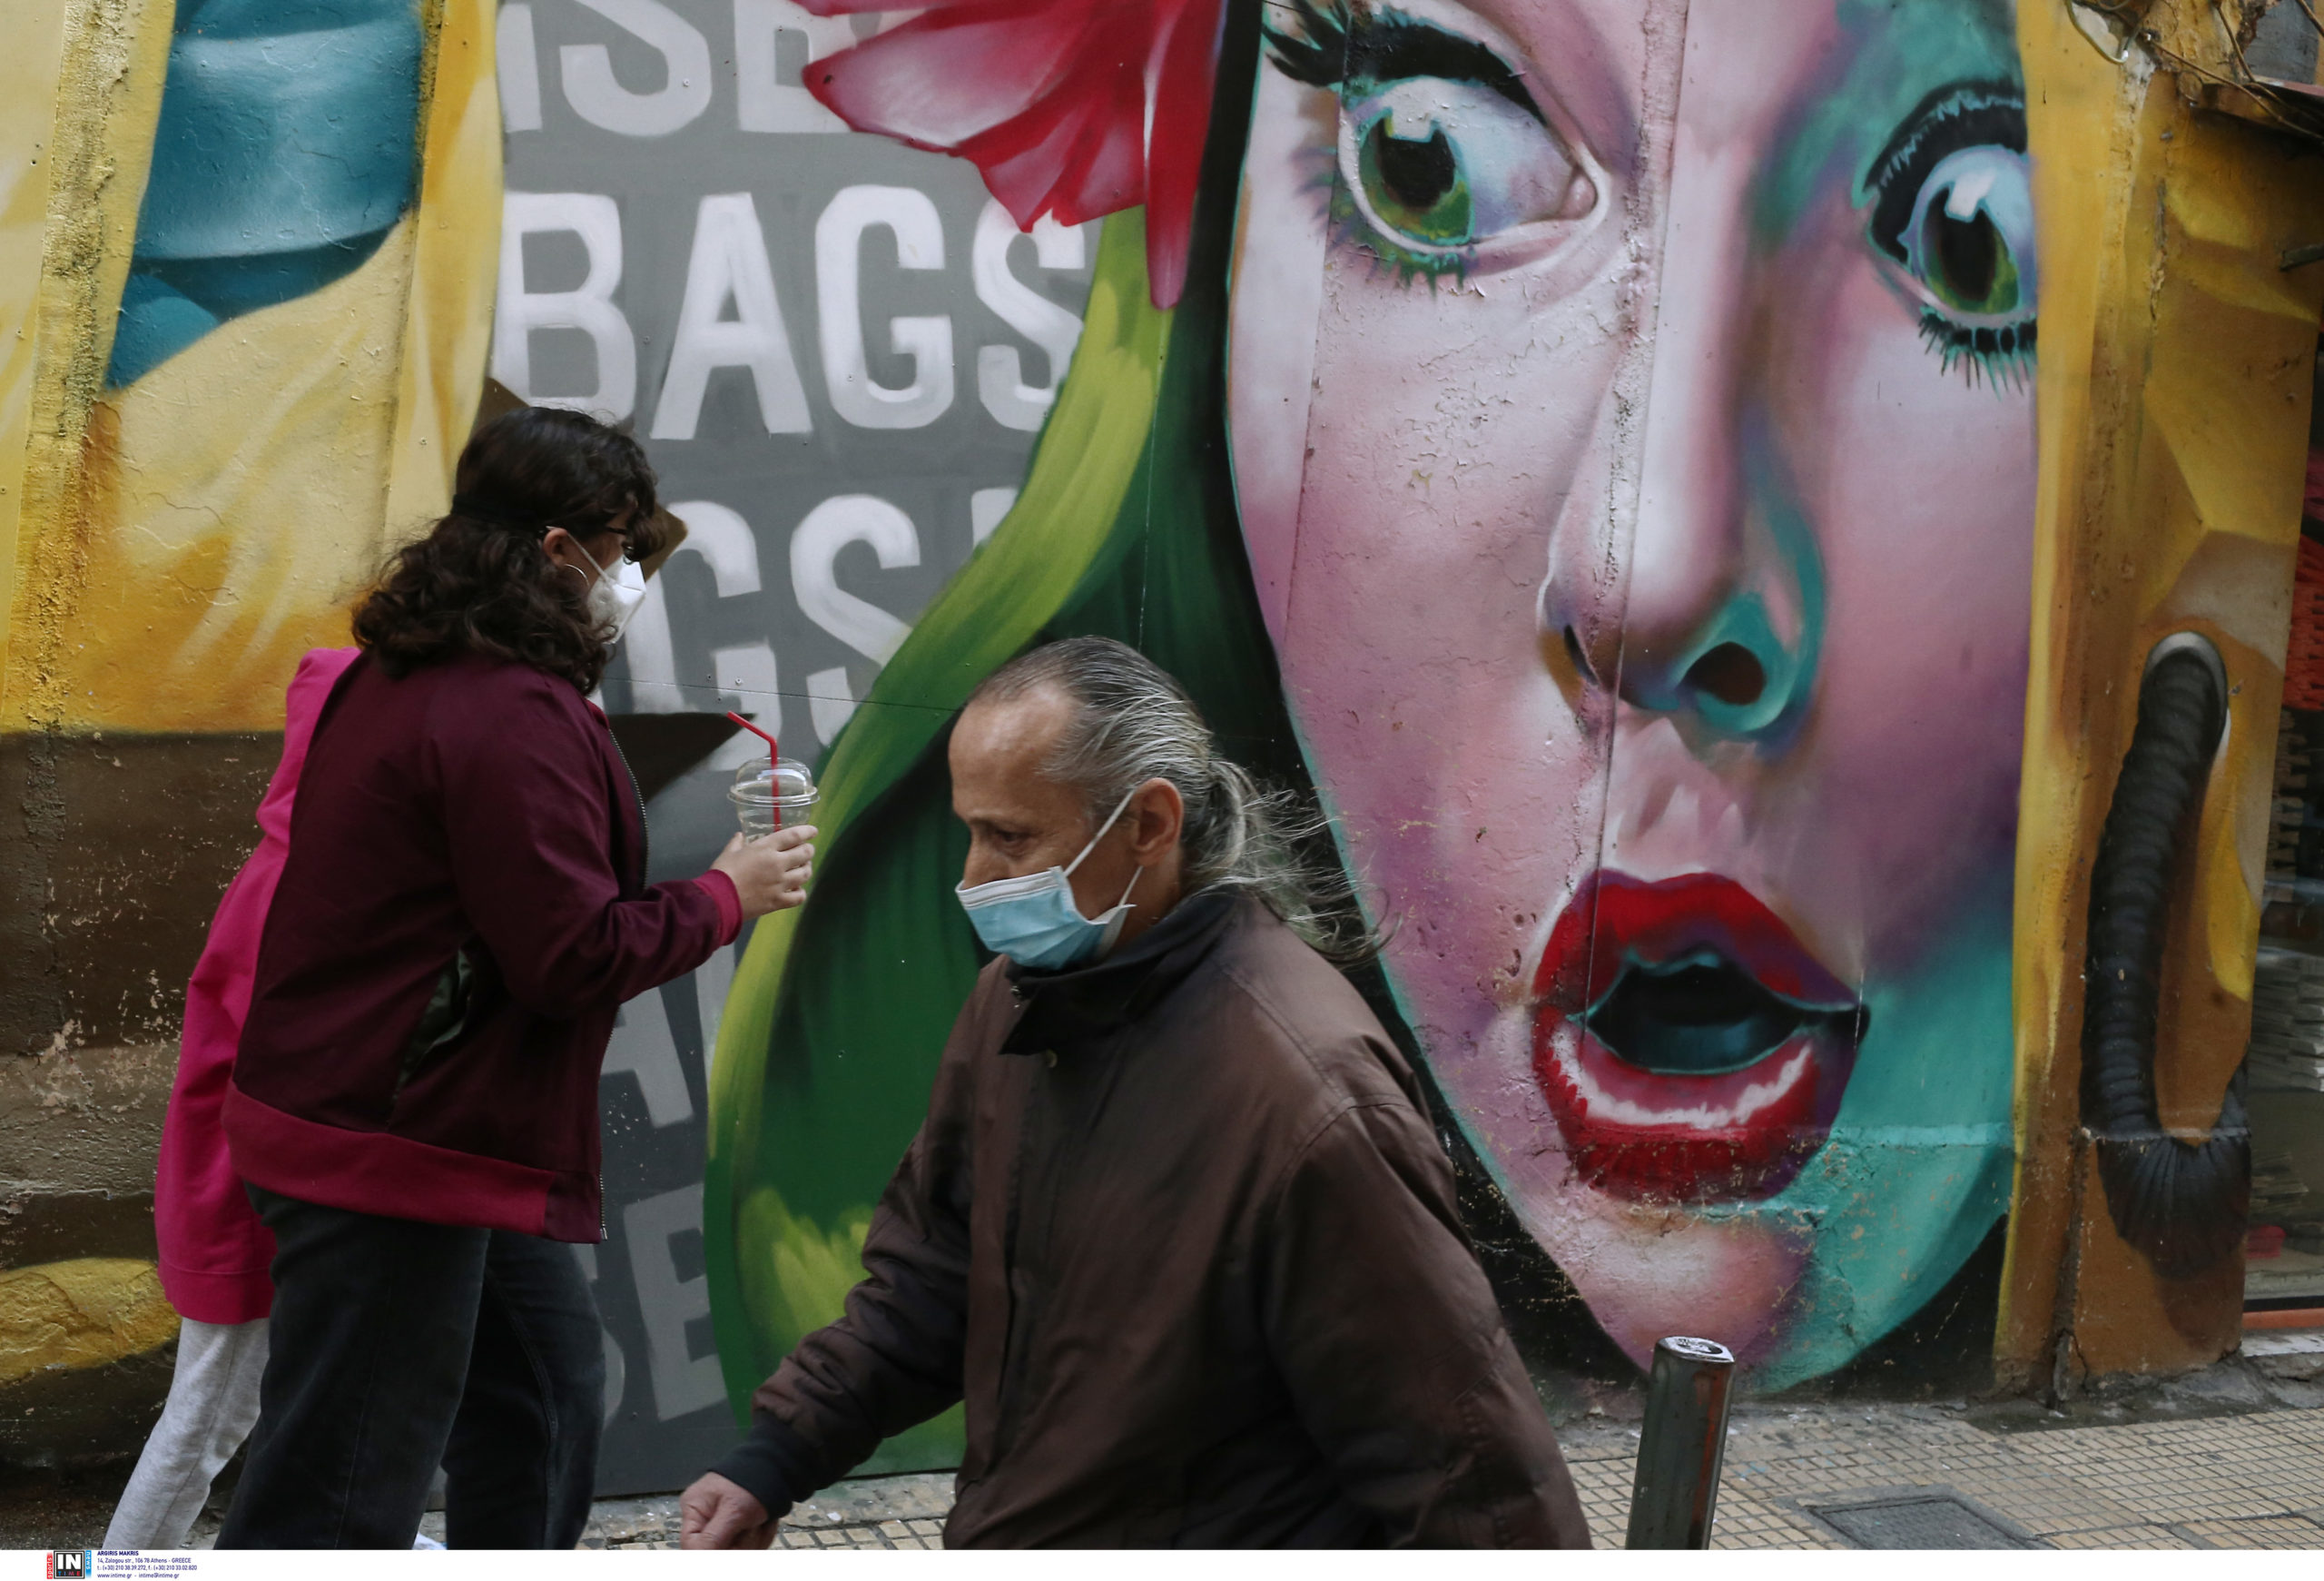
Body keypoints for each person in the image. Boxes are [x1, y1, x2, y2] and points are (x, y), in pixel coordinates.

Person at [707, 0, 2037, 1396]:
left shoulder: (1299, 1088)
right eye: (1432, 158)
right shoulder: (1099, 1049)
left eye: (1977, 236)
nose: (1654, 574)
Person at [681, 637, 1590, 1548]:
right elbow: (931, 1277)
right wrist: (774, 1458)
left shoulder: (1307, 1098)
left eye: (1010, 836)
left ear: (1149, 825)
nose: (972, 877)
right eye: (970, 831)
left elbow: (1470, 1476)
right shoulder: (1019, 999)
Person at [212, 408, 815, 1549]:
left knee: (541, 1400)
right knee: (341, 1490)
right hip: (395, 1148)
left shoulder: (421, 670)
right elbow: (569, 956)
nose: (633, 578)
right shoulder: (502, 713)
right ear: (555, 552)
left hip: (454, 1138)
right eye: (624, 549)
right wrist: (728, 893)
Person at [103, 647, 357, 1551]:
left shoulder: (285, 866)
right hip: (247, 1196)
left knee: (250, 1413)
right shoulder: (304, 887)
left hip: (242, 1189)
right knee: (207, 1420)